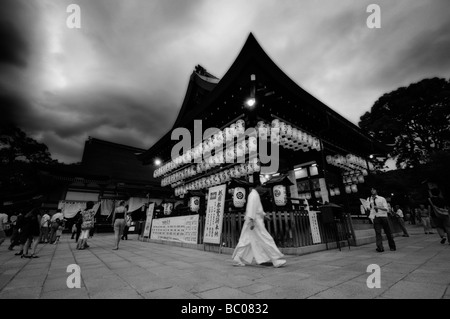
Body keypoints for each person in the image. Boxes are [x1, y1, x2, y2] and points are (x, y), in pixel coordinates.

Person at [232, 182, 286, 268]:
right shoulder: (253, 195)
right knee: (266, 239)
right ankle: (275, 260)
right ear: (257, 186)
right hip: (254, 222)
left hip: (253, 221)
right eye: (262, 187)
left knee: (247, 241)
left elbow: (257, 209)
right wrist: (252, 220)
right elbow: (251, 208)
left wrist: (264, 215)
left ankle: (237, 258)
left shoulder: (254, 194)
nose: (263, 189)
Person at [367, 187, 396, 252]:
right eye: (371, 190)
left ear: (376, 191)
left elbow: (386, 209)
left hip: (383, 216)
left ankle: (392, 246)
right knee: (378, 232)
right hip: (375, 217)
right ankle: (380, 247)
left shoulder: (381, 198)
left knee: (388, 232)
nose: (372, 191)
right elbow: (368, 207)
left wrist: (378, 207)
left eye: (373, 189)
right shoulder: (369, 199)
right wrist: (370, 207)